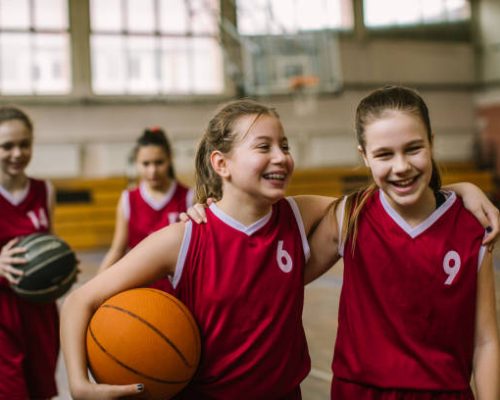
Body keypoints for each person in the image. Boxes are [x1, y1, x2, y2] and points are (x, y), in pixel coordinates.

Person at [60, 99, 499, 400]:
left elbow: (390, 195)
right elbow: (81, 300)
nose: (281, 156)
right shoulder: (184, 237)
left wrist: (459, 189)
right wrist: (79, 383)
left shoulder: (298, 215)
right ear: (221, 163)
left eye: (285, 146)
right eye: (264, 146)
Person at [305, 86, 500, 399]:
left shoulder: (471, 228)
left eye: (413, 149)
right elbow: (283, 280)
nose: (401, 166)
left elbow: (486, 341)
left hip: (443, 392)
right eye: (384, 154)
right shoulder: (350, 216)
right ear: (364, 156)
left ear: (432, 143)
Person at [0, 106, 60, 399]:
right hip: (3, 312)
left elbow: (51, 240)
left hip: (40, 311)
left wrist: (61, 265)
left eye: (24, 144)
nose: (17, 153)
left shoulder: (44, 190)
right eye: (7, 146)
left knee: (41, 391)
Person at [97, 127, 193, 292]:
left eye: (159, 162)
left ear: (169, 159)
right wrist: (95, 286)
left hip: (178, 289)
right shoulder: (128, 199)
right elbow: (117, 250)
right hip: (139, 288)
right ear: (136, 162)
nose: (152, 170)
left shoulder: (189, 197)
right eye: (146, 164)